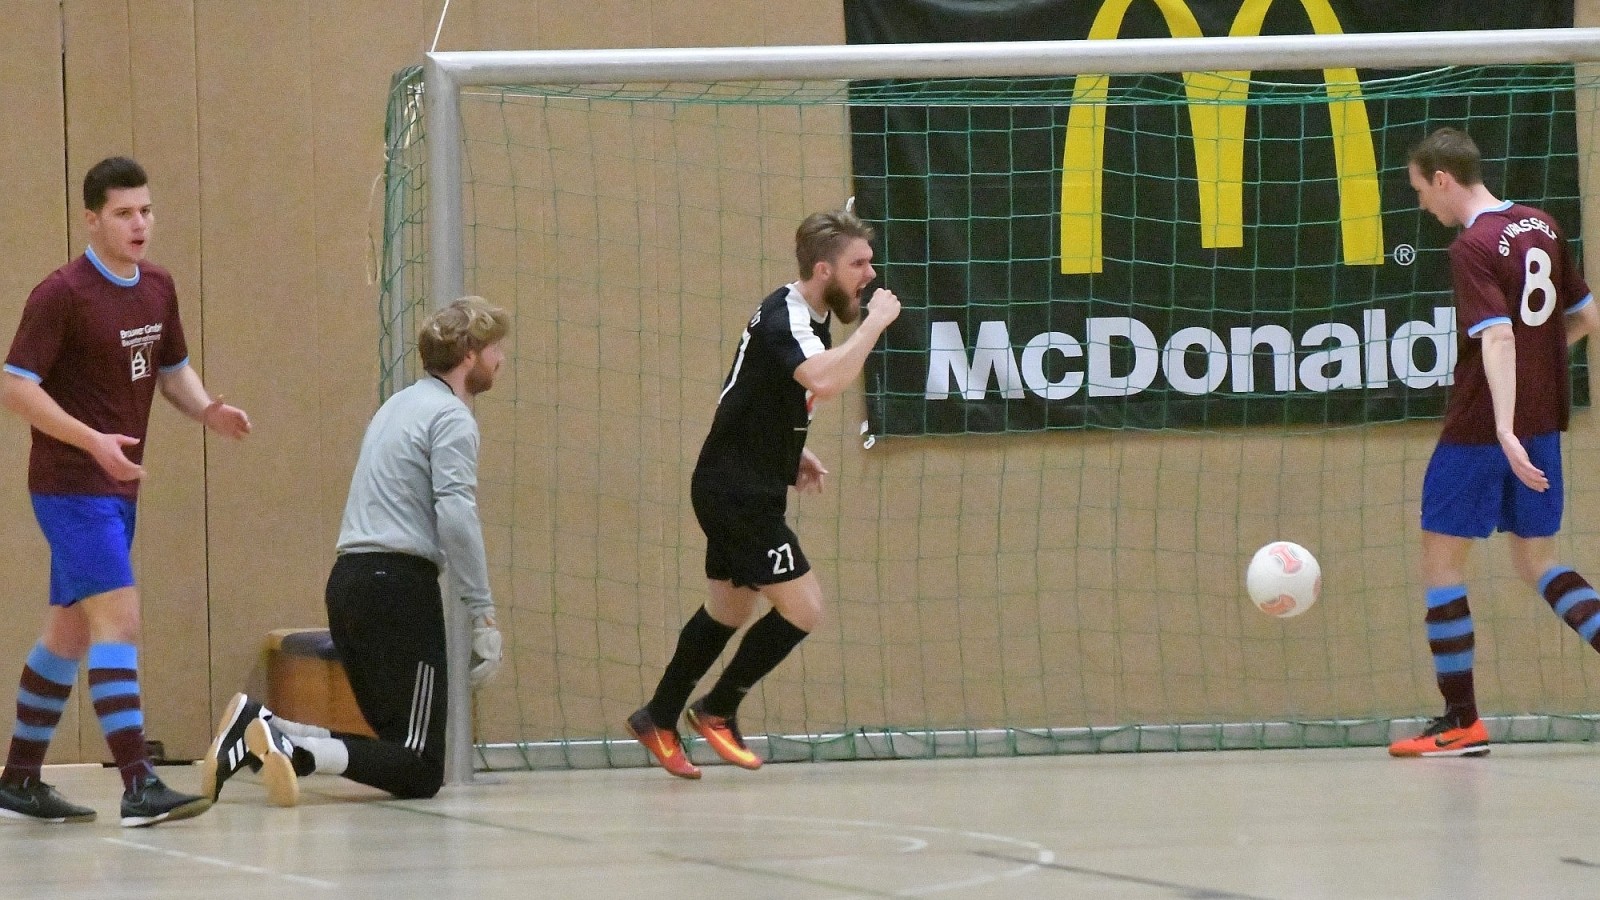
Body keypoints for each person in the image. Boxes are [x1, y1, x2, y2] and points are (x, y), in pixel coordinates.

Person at [0, 156, 252, 827]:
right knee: (120, 618)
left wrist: (206, 411)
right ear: (92, 219)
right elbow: (15, 386)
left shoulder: (159, 287)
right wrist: (91, 441)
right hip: (71, 485)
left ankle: (19, 779)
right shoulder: (63, 293)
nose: (139, 224)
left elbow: (173, 370)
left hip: (116, 488)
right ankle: (139, 784)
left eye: (145, 210)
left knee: (69, 631)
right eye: (123, 213)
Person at [626, 207, 902, 778]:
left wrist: (787, 451)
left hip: (738, 479)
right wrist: (874, 324)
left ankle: (657, 715)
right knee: (803, 610)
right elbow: (824, 379)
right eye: (860, 264)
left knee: (728, 607)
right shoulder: (787, 319)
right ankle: (718, 708)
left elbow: (751, 393)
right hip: (736, 493)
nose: (870, 275)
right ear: (824, 269)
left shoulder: (806, 311)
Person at [201, 296, 506, 805]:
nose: (502, 360)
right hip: (398, 589)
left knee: (396, 751)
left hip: (349, 583)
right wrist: (483, 611)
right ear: (470, 353)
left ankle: (265, 733)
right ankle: (283, 737)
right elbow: (456, 514)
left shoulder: (398, 405)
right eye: (496, 348)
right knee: (420, 765)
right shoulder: (452, 416)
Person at [1389, 127, 1600, 757]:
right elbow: (1587, 317)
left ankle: (1461, 721)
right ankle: (1460, 721)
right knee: (1540, 562)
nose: (1423, 204)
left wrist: (1503, 424)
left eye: (1420, 190)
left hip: (1486, 427)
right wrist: (1538, 376)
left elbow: (1499, 338)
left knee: (1442, 564)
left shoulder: (1472, 247)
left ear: (1443, 179)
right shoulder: (1542, 224)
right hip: (1545, 424)